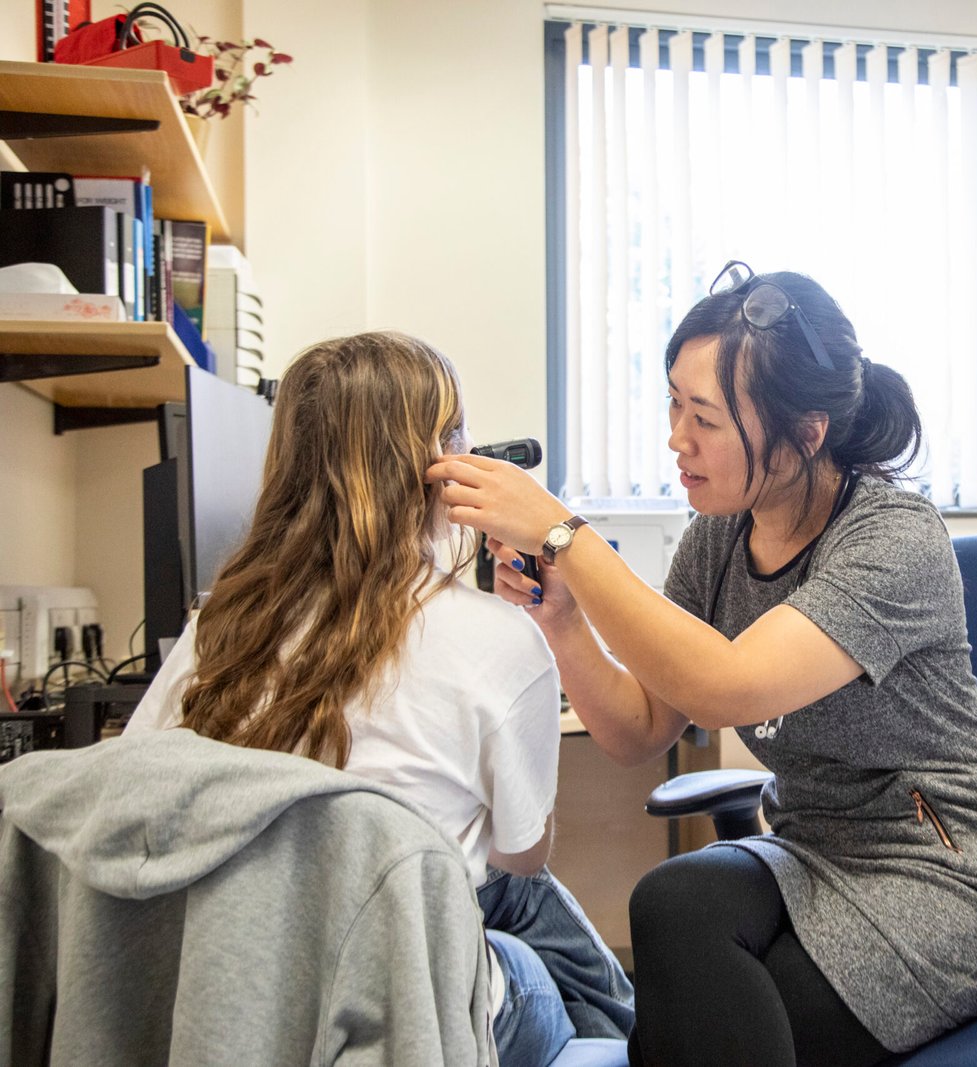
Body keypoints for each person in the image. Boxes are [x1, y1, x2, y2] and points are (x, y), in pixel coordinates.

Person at [428, 264, 977, 1067]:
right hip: (815, 858)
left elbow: (729, 685)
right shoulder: (719, 537)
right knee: (671, 903)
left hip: (952, 875)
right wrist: (565, 621)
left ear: (807, 433)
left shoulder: (894, 538)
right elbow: (642, 728)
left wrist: (563, 534)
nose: (675, 438)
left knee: (710, 1021)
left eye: (706, 419)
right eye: (673, 404)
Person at [124, 331, 633, 1067]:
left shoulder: (213, 632)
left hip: (248, 983)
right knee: (531, 922)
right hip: (413, 1004)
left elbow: (133, 789)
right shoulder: (498, 641)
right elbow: (519, 855)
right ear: (435, 466)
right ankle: (630, 1036)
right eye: (458, 433)